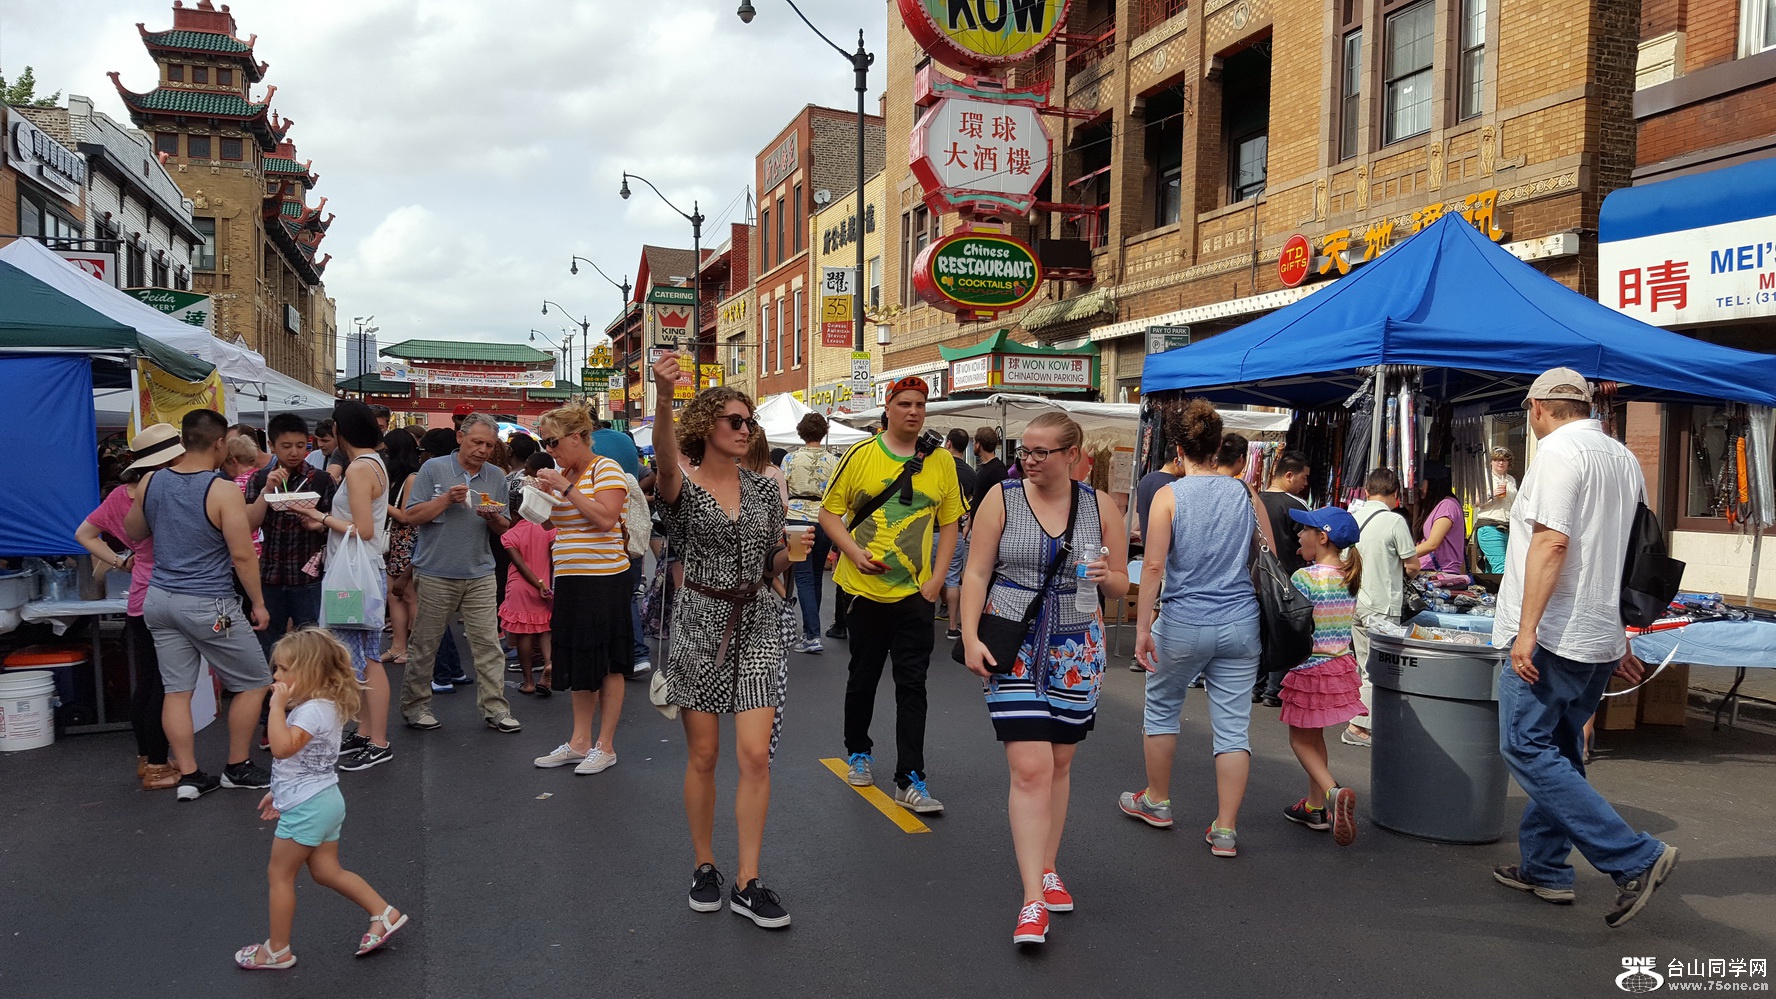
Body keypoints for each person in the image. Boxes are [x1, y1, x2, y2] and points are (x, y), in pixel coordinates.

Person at [1491, 368, 1677, 928]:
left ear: (1539, 407)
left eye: (1529, 409)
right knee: (1561, 748)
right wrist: (1618, 632)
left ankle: (1633, 856)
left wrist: (1527, 631)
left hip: (1555, 632)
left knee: (1525, 746)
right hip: (1594, 630)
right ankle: (1546, 868)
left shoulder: (1557, 453)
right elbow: (1629, 550)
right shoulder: (1622, 457)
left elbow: (1552, 542)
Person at [959, 411, 1128, 946]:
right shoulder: (1002, 498)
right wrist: (969, 635)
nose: (1027, 460)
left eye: (1040, 452)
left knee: (1059, 763)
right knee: (1030, 767)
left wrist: (1108, 576)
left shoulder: (1100, 506)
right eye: (1024, 450)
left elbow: (1122, 584)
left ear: (1072, 455)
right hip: (1013, 639)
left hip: (1077, 646)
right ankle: (1033, 898)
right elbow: (977, 571)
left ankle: (1049, 865)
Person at [650, 354, 794, 929]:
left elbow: (770, 559)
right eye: (735, 420)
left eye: (749, 422)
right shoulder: (680, 487)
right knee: (704, 755)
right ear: (705, 426)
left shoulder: (763, 489)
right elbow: (664, 460)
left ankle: (747, 880)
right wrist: (665, 397)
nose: (745, 429)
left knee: (755, 756)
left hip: (758, 620)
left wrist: (790, 555)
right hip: (700, 624)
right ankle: (704, 864)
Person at [1122, 398, 1272, 858]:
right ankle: (1225, 829)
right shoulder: (1245, 493)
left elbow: (1153, 566)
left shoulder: (1169, 496)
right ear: (1218, 445)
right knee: (1233, 728)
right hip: (1240, 621)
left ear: (1180, 449)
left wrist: (1142, 628)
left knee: (1162, 708)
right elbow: (1268, 554)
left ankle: (1157, 800)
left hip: (1183, 621)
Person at [819, 375, 964, 814]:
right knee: (862, 678)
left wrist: (937, 581)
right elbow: (829, 514)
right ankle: (858, 752)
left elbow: (951, 524)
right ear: (888, 407)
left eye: (920, 404)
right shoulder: (861, 455)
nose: (913, 411)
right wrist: (853, 553)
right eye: (904, 404)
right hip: (863, 592)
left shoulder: (941, 462)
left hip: (915, 594)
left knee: (912, 685)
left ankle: (910, 778)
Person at [234, 629, 407, 970]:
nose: (276, 676)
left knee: (279, 876)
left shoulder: (310, 712)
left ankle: (277, 951)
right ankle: (383, 913)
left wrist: (276, 708)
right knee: (327, 870)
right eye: (276, 668)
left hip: (307, 807)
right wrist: (278, 792)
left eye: (284, 669)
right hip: (323, 799)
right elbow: (304, 762)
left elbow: (282, 748)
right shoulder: (321, 706)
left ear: (310, 672)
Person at [125, 408, 272, 801]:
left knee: (176, 690)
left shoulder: (152, 480)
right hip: (209, 602)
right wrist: (258, 602)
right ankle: (237, 765)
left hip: (159, 599)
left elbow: (134, 530)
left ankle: (190, 775)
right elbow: (242, 555)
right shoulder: (222, 490)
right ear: (220, 443)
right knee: (254, 681)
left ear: (183, 440)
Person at [397, 413, 520, 733]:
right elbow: (412, 517)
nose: (482, 450)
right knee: (425, 645)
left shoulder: (496, 476)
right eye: (477, 442)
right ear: (460, 437)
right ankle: (415, 706)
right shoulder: (433, 469)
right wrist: (445, 500)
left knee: (488, 646)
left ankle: (496, 709)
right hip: (435, 571)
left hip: (480, 572)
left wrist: (493, 517)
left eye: (489, 445)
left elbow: (504, 527)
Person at [77, 423, 182, 789]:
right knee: (165, 687)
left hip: (139, 598)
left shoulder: (121, 495)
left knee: (147, 682)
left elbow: (84, 534)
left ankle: (146, 758)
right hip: (172, 594)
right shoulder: (170, 491)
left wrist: (121, 561)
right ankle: (157, 766)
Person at [529, 403, 632, 773]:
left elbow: (605, 518)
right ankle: (579, 741)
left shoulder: (605, 468)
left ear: (576, 437)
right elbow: (547, 525)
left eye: (553, 442)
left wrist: (566, 488)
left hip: (604, 578)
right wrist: (539, 495)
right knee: (576, 657)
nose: (549, 450)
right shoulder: (564, 473)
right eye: (544, 443)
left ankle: (605, 745)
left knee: (607, 661)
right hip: (571, 577)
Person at [294, 402, 392, 772]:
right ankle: (367, 733)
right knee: (361, 656)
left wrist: (320, 517)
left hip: (354, 573)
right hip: (359, 571)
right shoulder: (372, 463)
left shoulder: (358, 468)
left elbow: (363, 529)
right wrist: (325, 520)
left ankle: (378, 739)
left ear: (340, 430)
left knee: (366, 657)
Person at [1278, 506, 1367, 847]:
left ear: (1322, 537)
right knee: (1315, 738)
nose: (1299, 535)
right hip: (1338, 666)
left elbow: (1291, 622)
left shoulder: (1305, 578)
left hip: (1308, 667)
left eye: (1304, 530)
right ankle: (1314, 808)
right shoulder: (1349, 575)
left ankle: (1332, 792)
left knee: (1300, 741)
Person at [245, 413, 336, 659]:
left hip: (308, 577)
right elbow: (250, 523)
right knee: (269, 645)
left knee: (313, 644)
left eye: (300, 445)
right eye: (286, 446)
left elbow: (334, 524)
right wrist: (267, 490)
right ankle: (273, 684)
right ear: (272, 446)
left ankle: (310, 685)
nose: (294, 452)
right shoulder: (260, 478)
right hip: (270, 575)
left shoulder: (321, 479)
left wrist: (318, 523)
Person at [1344, 468, 1420, 748]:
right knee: (1379, 669)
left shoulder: (1353, 517)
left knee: (1364, 665)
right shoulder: (1394, 521)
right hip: (1382, 604)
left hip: (1355, 602)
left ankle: (1364, 723)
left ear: (1366, 491)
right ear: (1395, 494)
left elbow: (1344, 559)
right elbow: (1413, 565)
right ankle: (1358, 726)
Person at [1254, 451, 1313, 705]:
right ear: (1289, 475)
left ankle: (1256, 687)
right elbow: (1309, 544)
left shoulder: (1255, 500)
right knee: (1283, 635)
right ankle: (1274, 690)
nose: (1305, 483)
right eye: (1304, 477)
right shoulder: (1296, 506)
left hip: (1257, 580)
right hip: (1288, 582)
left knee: (1259, 634)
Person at [783, 412, 839, 653]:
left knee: (803, 576)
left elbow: (783, 490)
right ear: (824, 432)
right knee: (816, 575)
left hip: (796, 519)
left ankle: (812, 635)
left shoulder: (790, 459)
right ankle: (811, 632)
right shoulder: (834, 461)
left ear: (801, 432)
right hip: (824, 518)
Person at [500, 486, 556, 697]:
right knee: (544, 629)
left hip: (520, 587)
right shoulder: (547, 529)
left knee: (524, 634)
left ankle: (529, 682)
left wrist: (536, 584)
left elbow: (520, 565)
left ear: (515, 512)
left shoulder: (509, 535)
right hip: (545, 586)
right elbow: (554, 558)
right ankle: (549, 663)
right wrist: (544, 585)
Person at [380, 430, 424, 665]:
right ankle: (398, 646)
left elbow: (406, 516)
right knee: (393, 594)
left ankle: (414, 649)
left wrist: (380, 503)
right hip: (396, 540)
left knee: (409, 595)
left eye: (387, 452)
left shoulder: (412, 478)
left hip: (407, 540)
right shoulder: (396, 477)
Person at [937, 428, 978, 641]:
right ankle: (953, 626)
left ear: (948, 444)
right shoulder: (971, 473)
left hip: (932, 530)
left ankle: (922, 624)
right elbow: (970, 503)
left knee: (924, 577)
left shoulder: (937, 467)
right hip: (956, 530)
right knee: (953, 578)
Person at [1413, 465, 1466, 574]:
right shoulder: (1434, 506)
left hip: (1441, 573)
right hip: (1428, 570)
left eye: (1422, 483)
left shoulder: (1447, 506)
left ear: (1433, 483)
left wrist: (1401, 556)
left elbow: (1432, 543)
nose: (1419, 488)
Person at [1474, 446, 1518, 572]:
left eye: (1504, 460)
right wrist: (1492, 494)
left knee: (1493, 568)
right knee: (1501, 567)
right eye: (1496, 460)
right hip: (1489, 526)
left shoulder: (1511, 480)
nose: (1500, 463)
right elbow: (1474, 502)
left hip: (1508, 527)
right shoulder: (1484, 478)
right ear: (1491, 462)